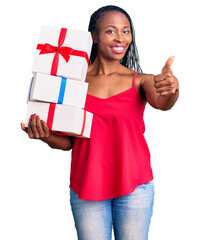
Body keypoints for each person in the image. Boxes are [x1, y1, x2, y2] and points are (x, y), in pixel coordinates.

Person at [21, 5, 179, 240]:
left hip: (134, 187)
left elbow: (163, 103)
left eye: (126, 31)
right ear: (94, 36)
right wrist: (47, 136)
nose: (120, 38)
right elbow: (70, 142)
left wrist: (171, 89)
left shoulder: (140, 81)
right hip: (87, 187)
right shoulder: (71, 83)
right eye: (111, 31)